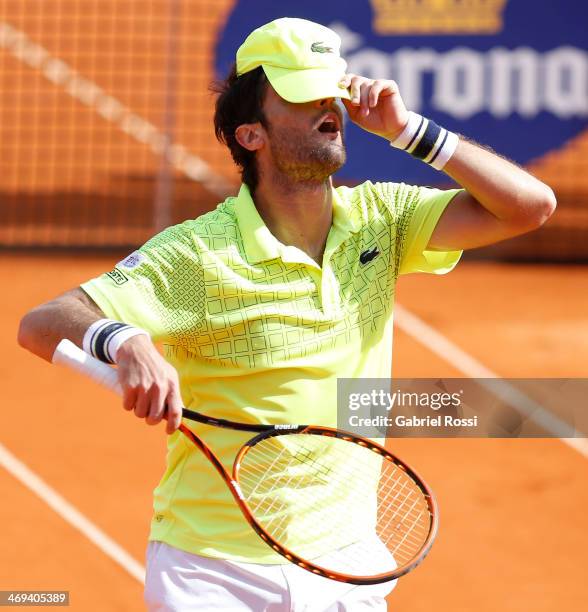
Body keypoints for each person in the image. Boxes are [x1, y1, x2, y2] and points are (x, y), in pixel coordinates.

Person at [18, 17, 555, 612]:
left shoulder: (383, 218)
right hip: (213, 571)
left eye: (332, 92)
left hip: (346, 566)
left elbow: (530, 207)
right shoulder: (199, 255)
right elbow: (44, 321)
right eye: (304, 98)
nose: (330, 107)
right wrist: (124, 341)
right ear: (251, 135)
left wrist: (410, 132)